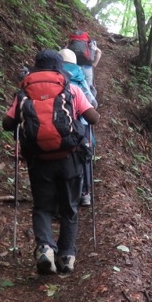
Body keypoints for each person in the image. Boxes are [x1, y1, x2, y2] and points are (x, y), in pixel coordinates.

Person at [2, 49, 100, 275]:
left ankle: (45, 248)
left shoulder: (24, 92)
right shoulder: (72, 89)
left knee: (43, 207)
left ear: (36, 66)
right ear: (60, 68)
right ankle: (66, 256)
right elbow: (93, 118)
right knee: (70, 208)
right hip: (70, 157)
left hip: (38, 160)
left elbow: (7, 124)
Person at [59, 48, 97, 207]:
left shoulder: (54, 76)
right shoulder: (80, 76)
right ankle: (84, 193)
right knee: (84, 156)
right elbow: (92, 104)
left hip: (58, 124)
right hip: (80, 124)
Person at [66, 30, 102, 97]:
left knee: (73, 84)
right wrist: (95, 64)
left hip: (74, 66)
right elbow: (99, 52)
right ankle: (90, 102)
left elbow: (64, 51)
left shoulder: (71, 42)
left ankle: (74, 100)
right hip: (87, 66)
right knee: (88, 86)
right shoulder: (89, 43)